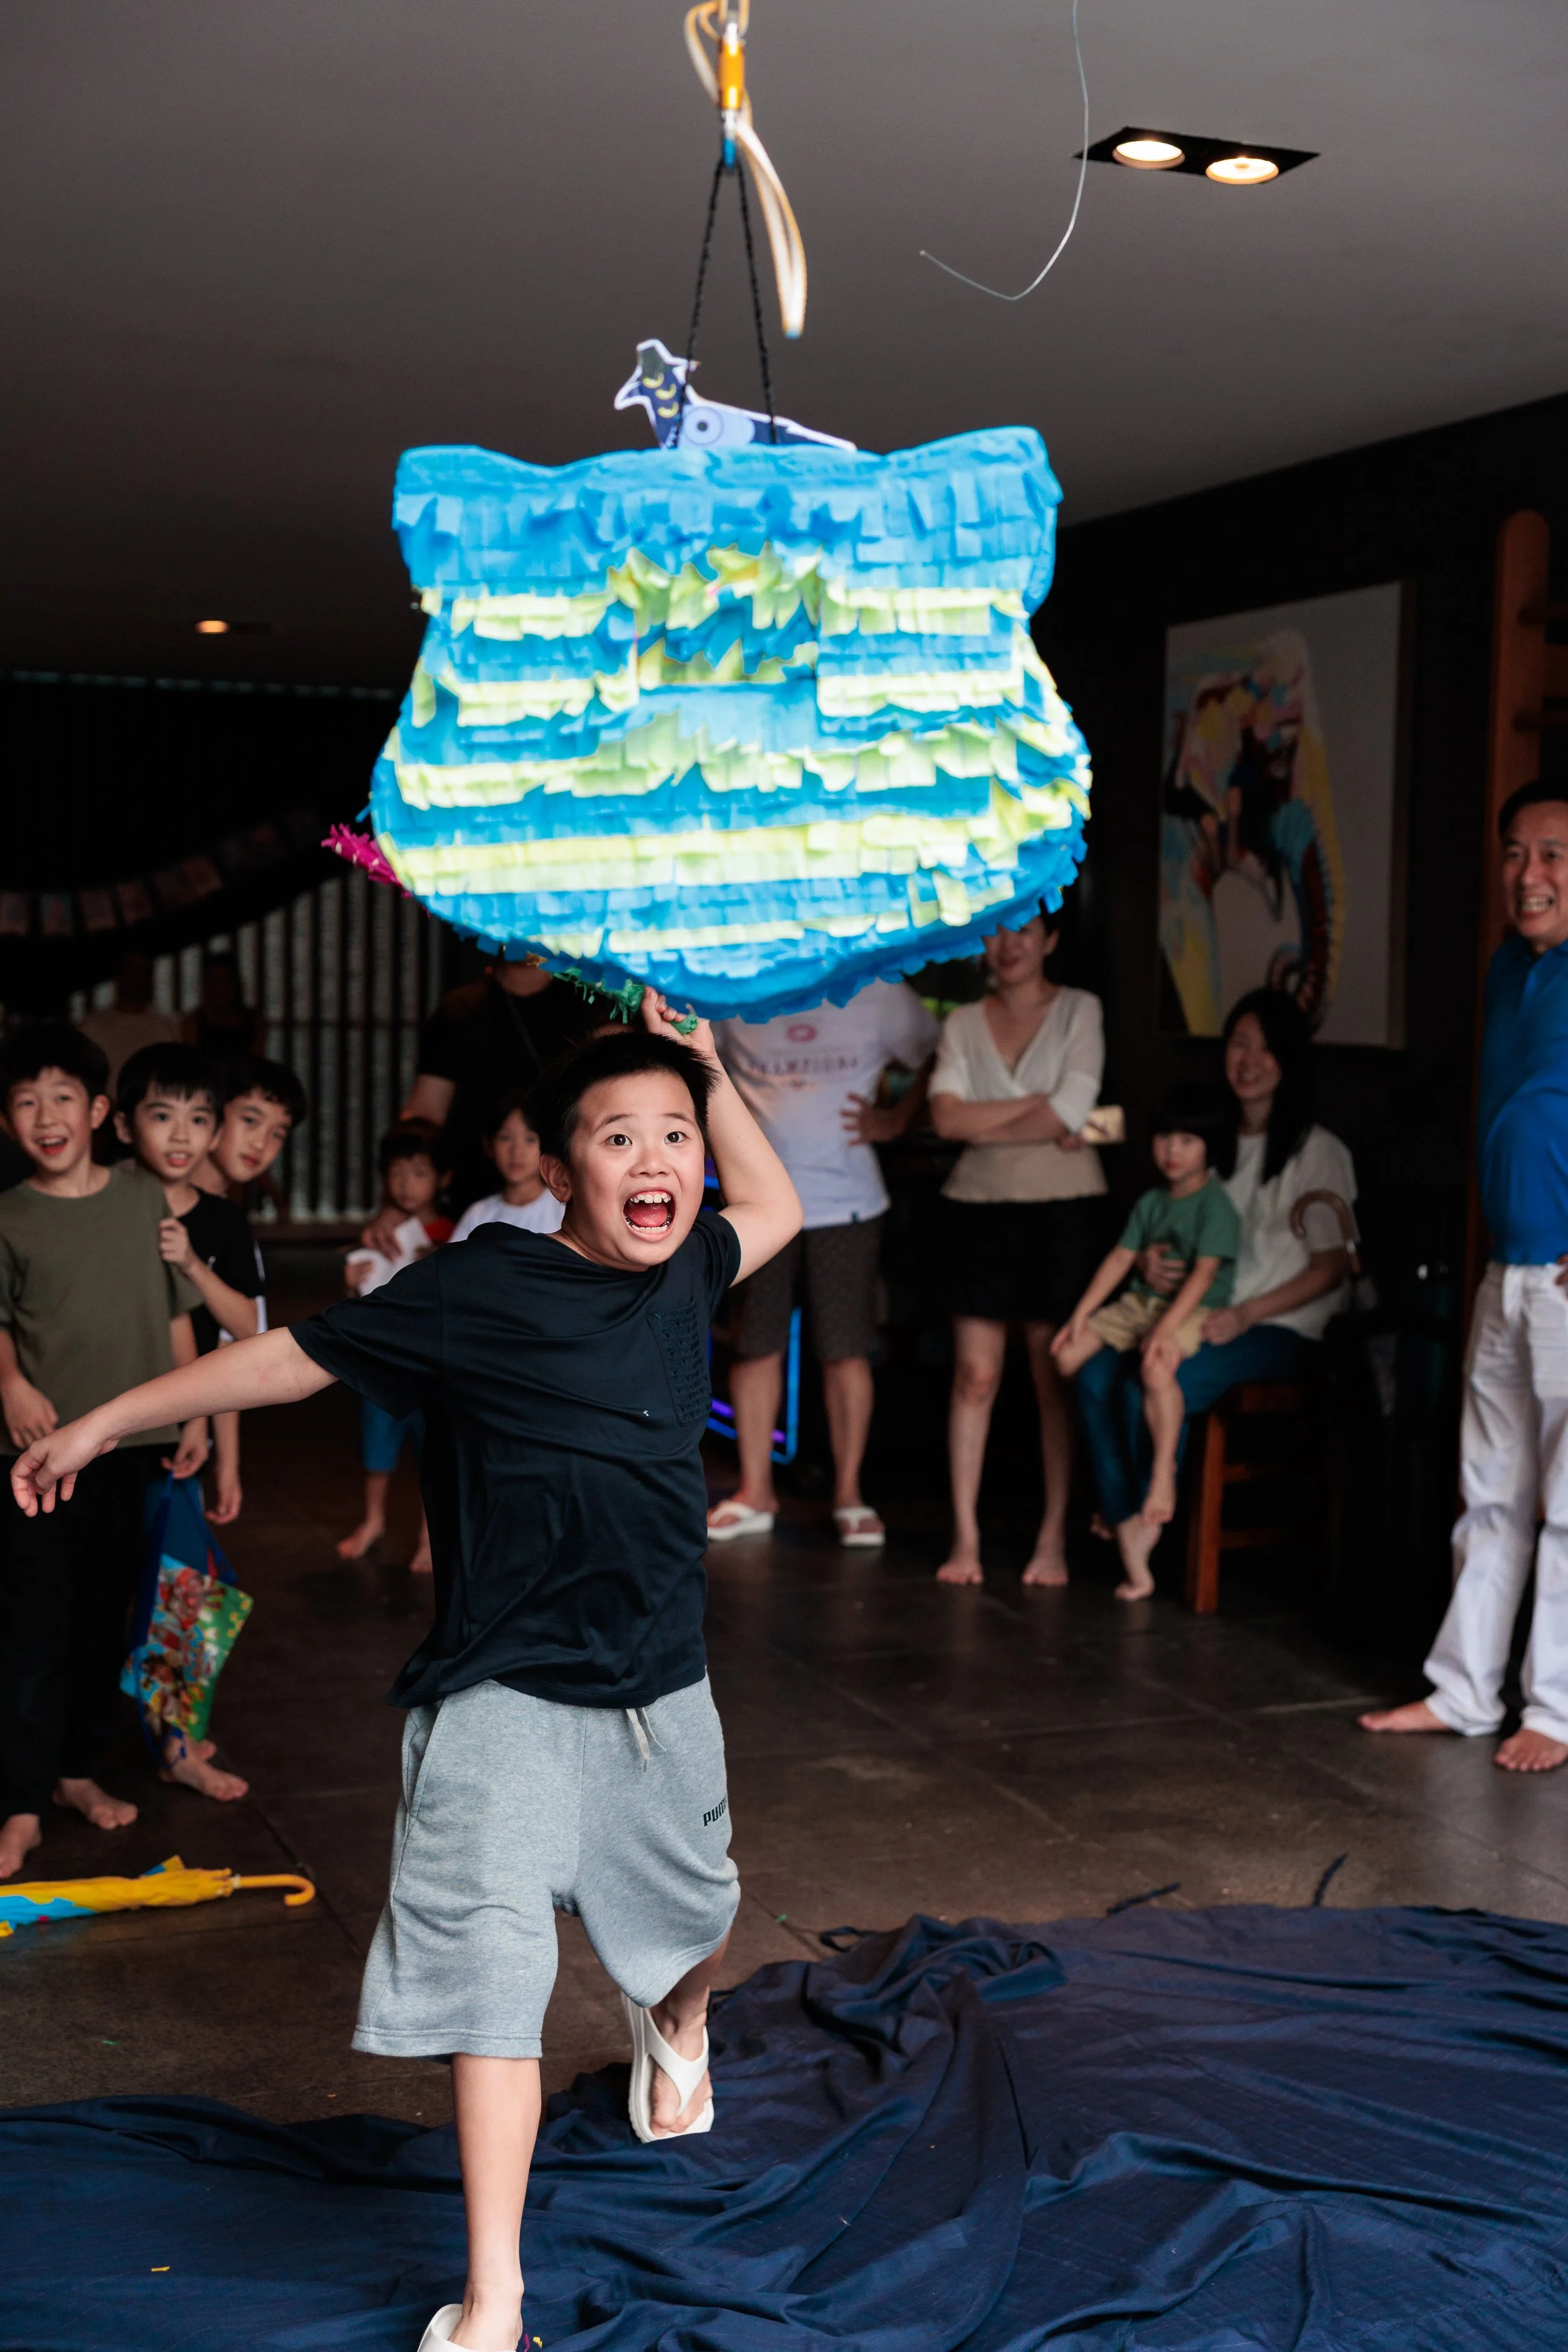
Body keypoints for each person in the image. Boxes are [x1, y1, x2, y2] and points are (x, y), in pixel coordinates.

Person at [13, 995, 801, 2352]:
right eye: (620, 1136)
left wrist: (702, 1069)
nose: (658, 1157)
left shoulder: (689, 1270)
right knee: (490, 1978)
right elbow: (284, 1359)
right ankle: (494, 2299)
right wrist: (103, 1420)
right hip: (495, 1688)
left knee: (700, 1922)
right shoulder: (482, 1283)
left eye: (675, 1136)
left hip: (655, 1684)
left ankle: (674, 2019)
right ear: (560, 1170)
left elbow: (779, 1201)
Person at [1363, 783, 1568, 1773]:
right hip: (1506, 1268)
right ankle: (1464, 1691)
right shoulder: (1507, 969)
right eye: (1516, 853)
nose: (1530, 876)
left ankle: (1557, 1712)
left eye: (1556, 855)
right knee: (1489, 1492)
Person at [0, 1023, 209, 1880]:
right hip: (39, 1459)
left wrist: (196, 1410)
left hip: (136, 1448)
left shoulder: (142, 1201)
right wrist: (8, 1383)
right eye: (23, 1101)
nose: (45, 1117)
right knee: (29, 1623)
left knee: (106, 1619)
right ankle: (19, 1801)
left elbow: (172, 1317)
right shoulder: (7, 1214)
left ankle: (76, 1773)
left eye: (62, 1098)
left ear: (96, 1111)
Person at [1076, 988, 1356, 1584]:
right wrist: (1150, 1263)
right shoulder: (1208, 1138)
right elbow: (1169, 1226)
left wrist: (1248, 1315)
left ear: (1290, 1061)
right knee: (1095, 1373)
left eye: (1266, 1050)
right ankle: (1128, 1520)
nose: (1248, 1061)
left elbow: (1331, 1268)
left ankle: (1149, 1524)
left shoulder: (1319, 1151)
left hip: (1279, 1327)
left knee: (1152, 1380)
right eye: (1238, 1045)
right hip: (1195, 1313)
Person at [707, 979, 938, 1545]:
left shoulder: (878, 990)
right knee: (754, 1343)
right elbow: (695, 1062)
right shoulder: (740, 986)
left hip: (849, 1203)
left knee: (845, 1350)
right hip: (757, 1201)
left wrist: (895, 1119)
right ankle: (755, 1490)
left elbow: (939, 1051)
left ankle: (850, 1495)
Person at [927, 910, 1107, 1586]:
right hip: (973, 1210)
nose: (1008, 945)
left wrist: (988, 1123)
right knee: (974, 1378)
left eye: (1024, 930)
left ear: (1051, 939)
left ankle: (1052, 1537)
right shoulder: (961, 1023)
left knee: (1049, 1379)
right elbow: (943, 1117)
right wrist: (1035, 1111)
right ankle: (965, 1540)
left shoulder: (1079, 1011)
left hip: (1063, 1212)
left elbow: (1074, 1108)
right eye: (997, 931)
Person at [1052, 1086, 1240, 1599]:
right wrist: (1081, 1316)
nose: (1172, 1150)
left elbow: (1203, 1278)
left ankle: (1161, 1477)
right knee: (1067, 1357)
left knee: (1156, 1370)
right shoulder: (1153, 1201)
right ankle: (1114, 1511)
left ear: (1211, 1147)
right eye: (1164, 1138)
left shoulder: (1215, 1205)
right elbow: (1119, 1259)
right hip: (1140, 1305)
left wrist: (1164, 1330)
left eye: (1187, 1140)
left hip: (1188, 1311)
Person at [383, 955, 600, 1223]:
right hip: (473, 1189)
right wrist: (398, 1203)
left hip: (577, 1190)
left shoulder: (594, 1002)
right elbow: (424, 1115)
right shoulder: (460, 1009)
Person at [336, 1124, 454, 1571]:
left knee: (435, 1457)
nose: (407, 1184)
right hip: (383, 1364)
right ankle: (373, 1521)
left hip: (434, 1370)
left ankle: (429, 1538)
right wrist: (350, 1284)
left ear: (442, 1179)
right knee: (376, 1448)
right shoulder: (377, 1232)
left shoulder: (455, 1232)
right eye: (398, 1173)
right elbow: (361, 1297)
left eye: (420, 1173)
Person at [192, 1055, 309, 1218]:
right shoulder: (155, 1204)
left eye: (277, 1134)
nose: (260, 1144)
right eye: (250, 1120)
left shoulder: (229, 1218)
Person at [448, 1089, 564, 1243]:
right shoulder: (479, 1214)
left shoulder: (564, 1209)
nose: (516, 1152)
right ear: (489, 1145)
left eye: (530, 1139)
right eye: (505, 1138)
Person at [78, 950, 182, 1088]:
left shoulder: (169, 1025)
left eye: (143, 971)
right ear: (118, 974)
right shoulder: (92, 1027)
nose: (137, 977)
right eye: (131, 970)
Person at [179, 951, 263, 1066]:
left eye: (227, 981)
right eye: (215, 982)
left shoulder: (254, 1021)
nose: (221, 988)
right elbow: (192, 1065)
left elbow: (257, 1063)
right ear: (207, 985)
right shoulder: (193, 1022)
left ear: (236, 984)